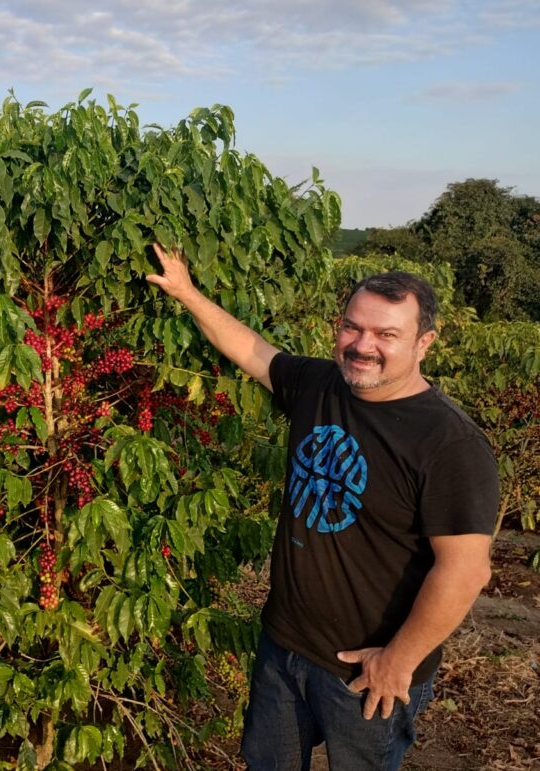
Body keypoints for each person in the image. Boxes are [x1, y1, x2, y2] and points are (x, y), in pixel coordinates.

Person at [146, 245, 498, 770]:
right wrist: (186, 292)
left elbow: (466, 570)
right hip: (286, 644)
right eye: (353, 328)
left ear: (425, 342)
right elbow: (252, 351)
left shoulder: (448, 442)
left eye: (386, 335)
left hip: (366, 672)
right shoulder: (320, 385)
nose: (363, 345)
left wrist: (397, 662)